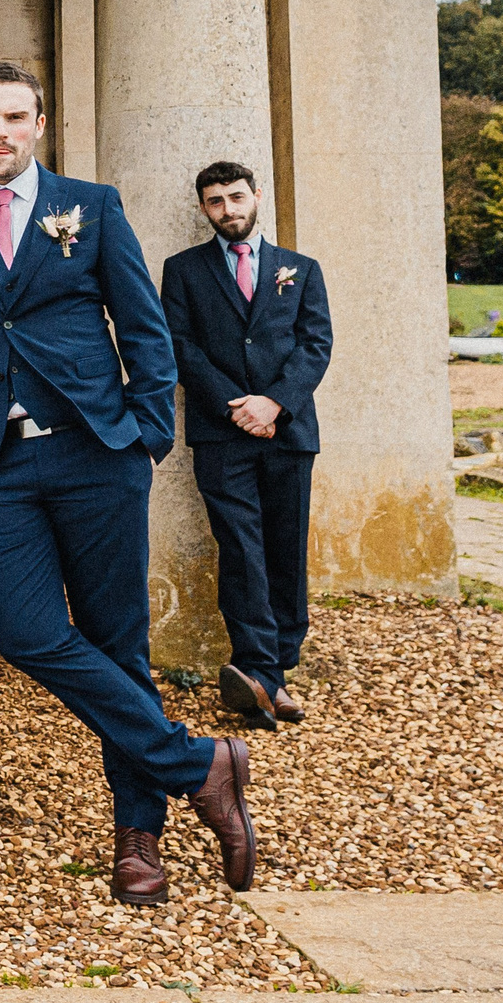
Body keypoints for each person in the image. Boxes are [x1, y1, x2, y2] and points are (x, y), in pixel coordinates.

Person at [0, 63, 256, 907]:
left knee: (116, 641)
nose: (0, 131)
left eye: (14, 117)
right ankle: (199, 763)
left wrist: (145, 435)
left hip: (96, 454)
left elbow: (143, 325)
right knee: (26, 635)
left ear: (39, 122)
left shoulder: (90, 206)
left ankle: (138, 834)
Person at [161, 161, 333, 730]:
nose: (228, 210)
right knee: (240, 548)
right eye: (216, 202)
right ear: (203, 208)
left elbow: (315, 345)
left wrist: (274, 404)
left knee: (286, 547)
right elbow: (180, 346)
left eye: (236, 197)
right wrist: (236, 406)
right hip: (222, 433)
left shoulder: (300, 269)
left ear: (256, 196)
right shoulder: (183, 271)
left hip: (288, 432)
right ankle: (261, 671)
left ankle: (276, 665)